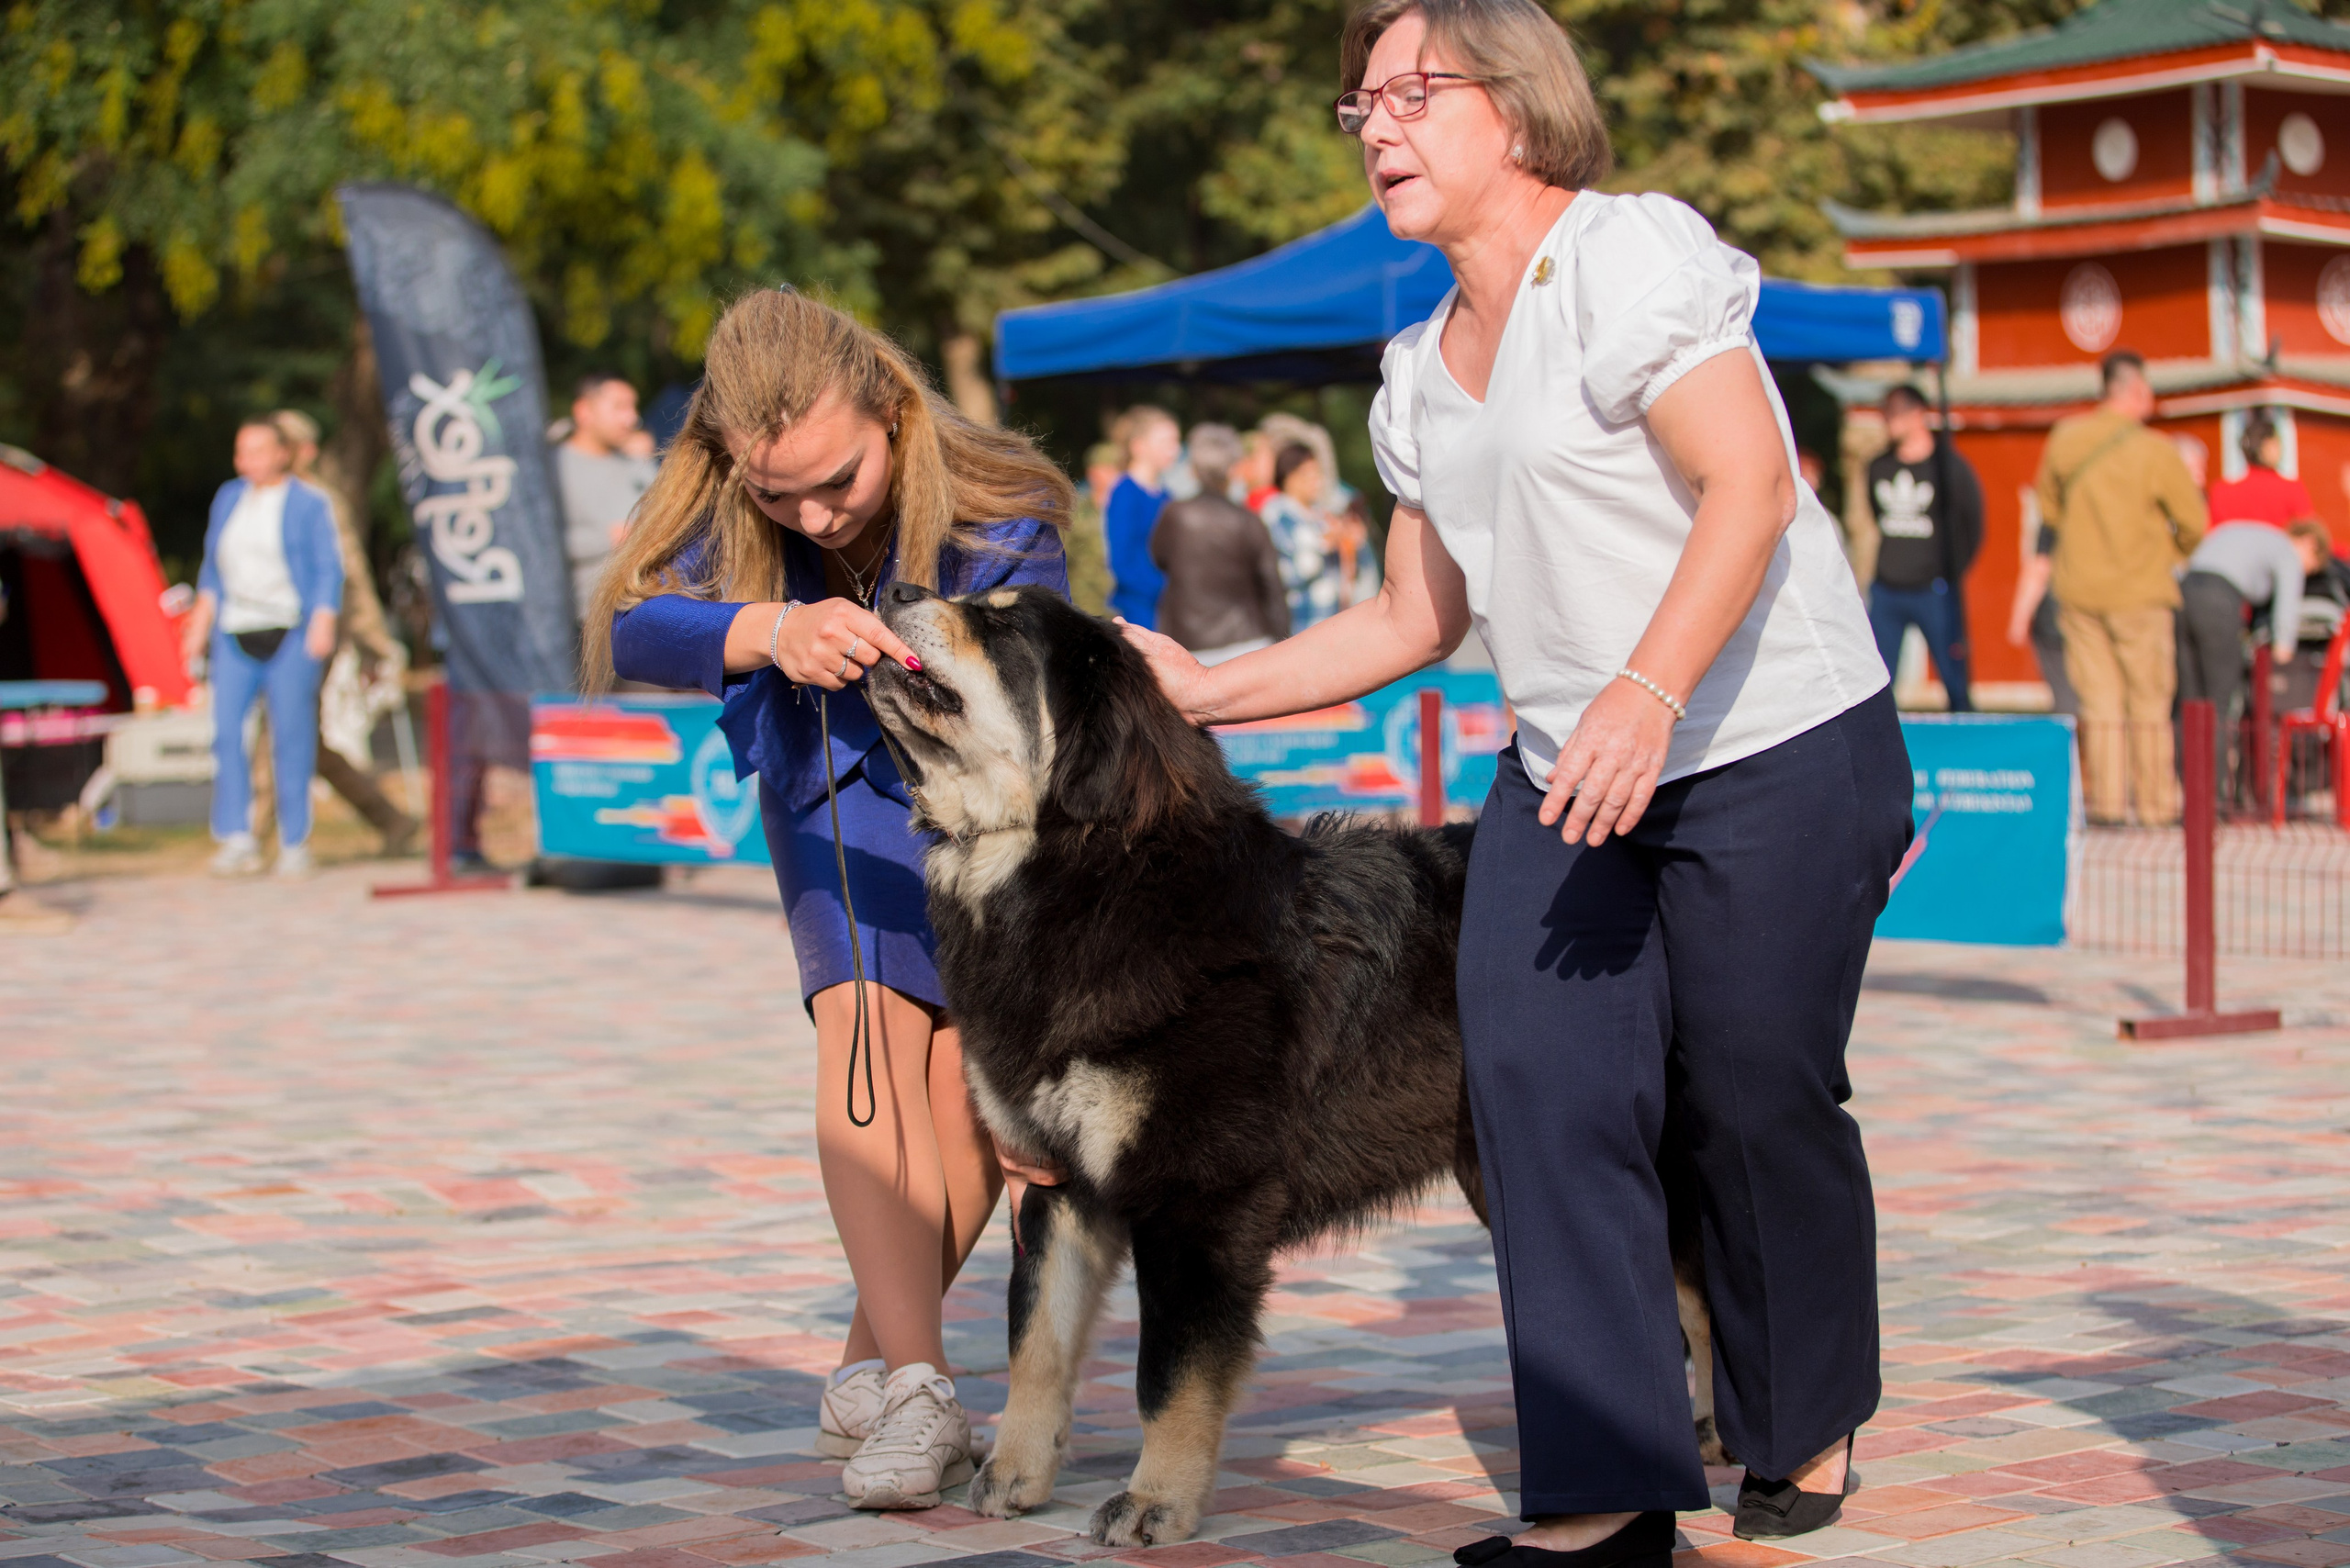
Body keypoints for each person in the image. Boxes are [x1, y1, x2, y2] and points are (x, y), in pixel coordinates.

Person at [1097, 4, 1907, 1559]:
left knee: (1749, 1089)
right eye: (1363, 103)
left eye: (1414, 91)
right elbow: (1414, 616)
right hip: (1569, 771)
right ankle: (1608, 1498)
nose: (1379, 124)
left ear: (1521, 105)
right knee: (1532, 1082)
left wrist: (1647, 688)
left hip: (1770, 742)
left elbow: (1751, 484)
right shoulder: (1417, 372)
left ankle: (1800, 1406)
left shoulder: (1626, 262)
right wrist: (1207, 688)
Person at [584, 286, 1069, 1510]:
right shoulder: (720, 486)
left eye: (835, 483)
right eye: (775, 495)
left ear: (893, 412)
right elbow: (631, 625)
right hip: (825, 786)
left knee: (964, 1100)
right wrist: (769, 627)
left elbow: (1034, 700)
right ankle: (920, 1380)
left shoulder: (1004, 503)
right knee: (864, 1028)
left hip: (982, 819)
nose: (809, 512)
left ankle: (872, 1365)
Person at [2033, 351, 2207, 825]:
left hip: (2079, 591)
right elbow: (2193, 522)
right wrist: (2167, 555)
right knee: (2148, 701)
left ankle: (2108, 807)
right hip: (2141, 593)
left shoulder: (2065, 438)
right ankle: (2154, 808)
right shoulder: (2155, 449)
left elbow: (2049, 512)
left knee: (2100, 701)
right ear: (2133, 391)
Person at [182, 419, 345, 878]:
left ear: (281, 453)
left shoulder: (309, 503)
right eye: (242, 453)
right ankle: (236, 835)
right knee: (227, 734)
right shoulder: (228, 498)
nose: (248, 461)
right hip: (235, 628)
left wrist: (323, 619)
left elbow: (327, 567)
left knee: (291, 736)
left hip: (289, 628)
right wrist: (198, 626)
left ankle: (295, 840)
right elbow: (212, 570)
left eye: (258, 451)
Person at [272, 409, 420, 857]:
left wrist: (374, 643)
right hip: (266, 633)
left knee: (280, 732)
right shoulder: (256, 498)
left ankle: (253, 839)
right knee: (304, 741)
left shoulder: (318, 500)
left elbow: (349, 576)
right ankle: (390, 819)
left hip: (310, 634)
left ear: (303, 452)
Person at [2177, 517, 2332, 801]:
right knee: (2218, 705)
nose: (2304, 572)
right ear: (2309, 544)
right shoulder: (2286, 550)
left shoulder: (2251, 533)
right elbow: (2287, 608)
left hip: (2184, 593)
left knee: (2188, 705)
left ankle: (2190, 795)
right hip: (2220, 603)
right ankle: (2215, 799)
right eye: (2309, 567)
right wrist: (2284, 651)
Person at [1863, 384, 1984, 711]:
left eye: (1896, 414)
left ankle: (1965, 746)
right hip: (1888, 590)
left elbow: (1972, 523)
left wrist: (1950, 573)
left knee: (1956, 682)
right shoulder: (1878, 467)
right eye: (1885, 414)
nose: (1888, 422)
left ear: (1919, 415)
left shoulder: (1948, 467)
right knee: (1877, 683)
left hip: (1935, 590)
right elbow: (1878, 516)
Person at [1148, 424, 1290, 663]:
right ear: (1233, 469)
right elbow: (1271, 586)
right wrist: (1284, 643)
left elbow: (1158, 558)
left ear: (1193, 469)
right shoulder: (1249, 520)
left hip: (1189, 643)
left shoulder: (1174, 515)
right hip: (1248, 641)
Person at [555, 373, 659, 614]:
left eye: (633, 407)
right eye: (620, 407)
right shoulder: (553, 469)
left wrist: (644, 462)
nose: (632, 418)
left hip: (645, 614)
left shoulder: (634, 464)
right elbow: (535, 544)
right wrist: (606, 539)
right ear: (584, 411)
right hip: (584, 620)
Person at [1104, 406, 1180, 629]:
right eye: (1166, 442)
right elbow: (1122, 562)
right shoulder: (1125, 492)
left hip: (1169, 606)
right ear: (1138, 446)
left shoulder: (1166, 494)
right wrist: (1164, 589)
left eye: (1176, 442)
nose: (1174, 450)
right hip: (1141, 610)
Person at [1259, 443, 1348, 631]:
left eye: (1318, 473)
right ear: (1290, 476)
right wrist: (1326, 544)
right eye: (1309, 474)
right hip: (1298, 623)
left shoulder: (1319, 515)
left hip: (1327, 619)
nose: (1318, 481)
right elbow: (1287, 574)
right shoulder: (1277, 514)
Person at [2208, 411, 2319, 532]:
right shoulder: (2291, 489)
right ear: (2268, 445)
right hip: (2278, 551)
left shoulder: (2221, 492)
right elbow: (2309, 534)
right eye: (2277, 442)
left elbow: (2214, 536)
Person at [1063, 441, 1120, 616]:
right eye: (1106, 469)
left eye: (1116, 469)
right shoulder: (1077, 509)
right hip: (1085, 600)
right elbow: (1064, 552)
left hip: (1121, 601)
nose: (1114, 476)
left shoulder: (1127, 509)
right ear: (1092, 473)